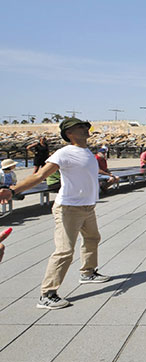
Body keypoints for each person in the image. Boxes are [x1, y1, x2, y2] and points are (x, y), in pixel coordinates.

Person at [0, 118, 112, 310]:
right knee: (64, 251)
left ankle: (88, 272)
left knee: (93, 238)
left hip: (87, 207)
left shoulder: (86, 151)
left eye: (86, 126)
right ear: (69, 133)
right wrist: (13, 191)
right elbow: (39, 175)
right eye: (80, 127)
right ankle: (47, 294)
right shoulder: (63, 153)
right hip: (68, 208)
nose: (86, 129)